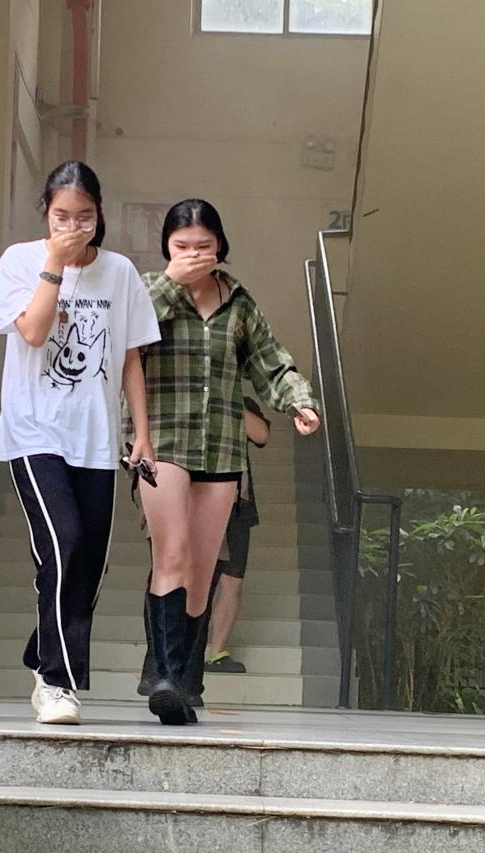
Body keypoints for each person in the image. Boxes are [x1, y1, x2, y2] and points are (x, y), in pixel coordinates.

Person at [133, 199, 321, 725]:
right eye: (182, 246)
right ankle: (163, 675)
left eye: (204, 246)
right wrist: (172, 281)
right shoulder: (147, 291)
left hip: (221, 447)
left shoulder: (238, 302)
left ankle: (184, 677)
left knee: (202, 567)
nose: (193, 254)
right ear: (166, 247)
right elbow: (124, 338)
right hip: (162, 441)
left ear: (220, 247)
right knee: (171, 552)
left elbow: (270, 362)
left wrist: (299, 402)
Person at [0, 160, 157, 725]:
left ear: (99, 214)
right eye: (61, 216)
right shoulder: (19, 261)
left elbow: (130, 357)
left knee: (89, 563)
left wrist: (141, 434)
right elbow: (34, 331)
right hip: (32, 432)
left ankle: (42, 649)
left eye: (84, 216)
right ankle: (56, 682)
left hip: (96, 437)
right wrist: (55, 265)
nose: (73, 226)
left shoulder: (121, 272)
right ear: (46, 211)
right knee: (63, 543)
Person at [137, 396, 270, 702]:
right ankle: (158, 669)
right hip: (168, 483)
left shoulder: (234, 398)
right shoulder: (174, 394)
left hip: (226, 496)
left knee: (204, 580)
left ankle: (188, 677)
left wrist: (226, 400)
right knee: (168, 570)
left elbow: (261, 434)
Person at [204, 397, 272, 675]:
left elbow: (261, 434)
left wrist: (229, 401)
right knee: (191, 578)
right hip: (197, 499)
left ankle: (216, 652)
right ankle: (181, 652)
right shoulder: (188, 397)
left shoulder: (239, 402)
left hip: (236, 504)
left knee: (233, 579)